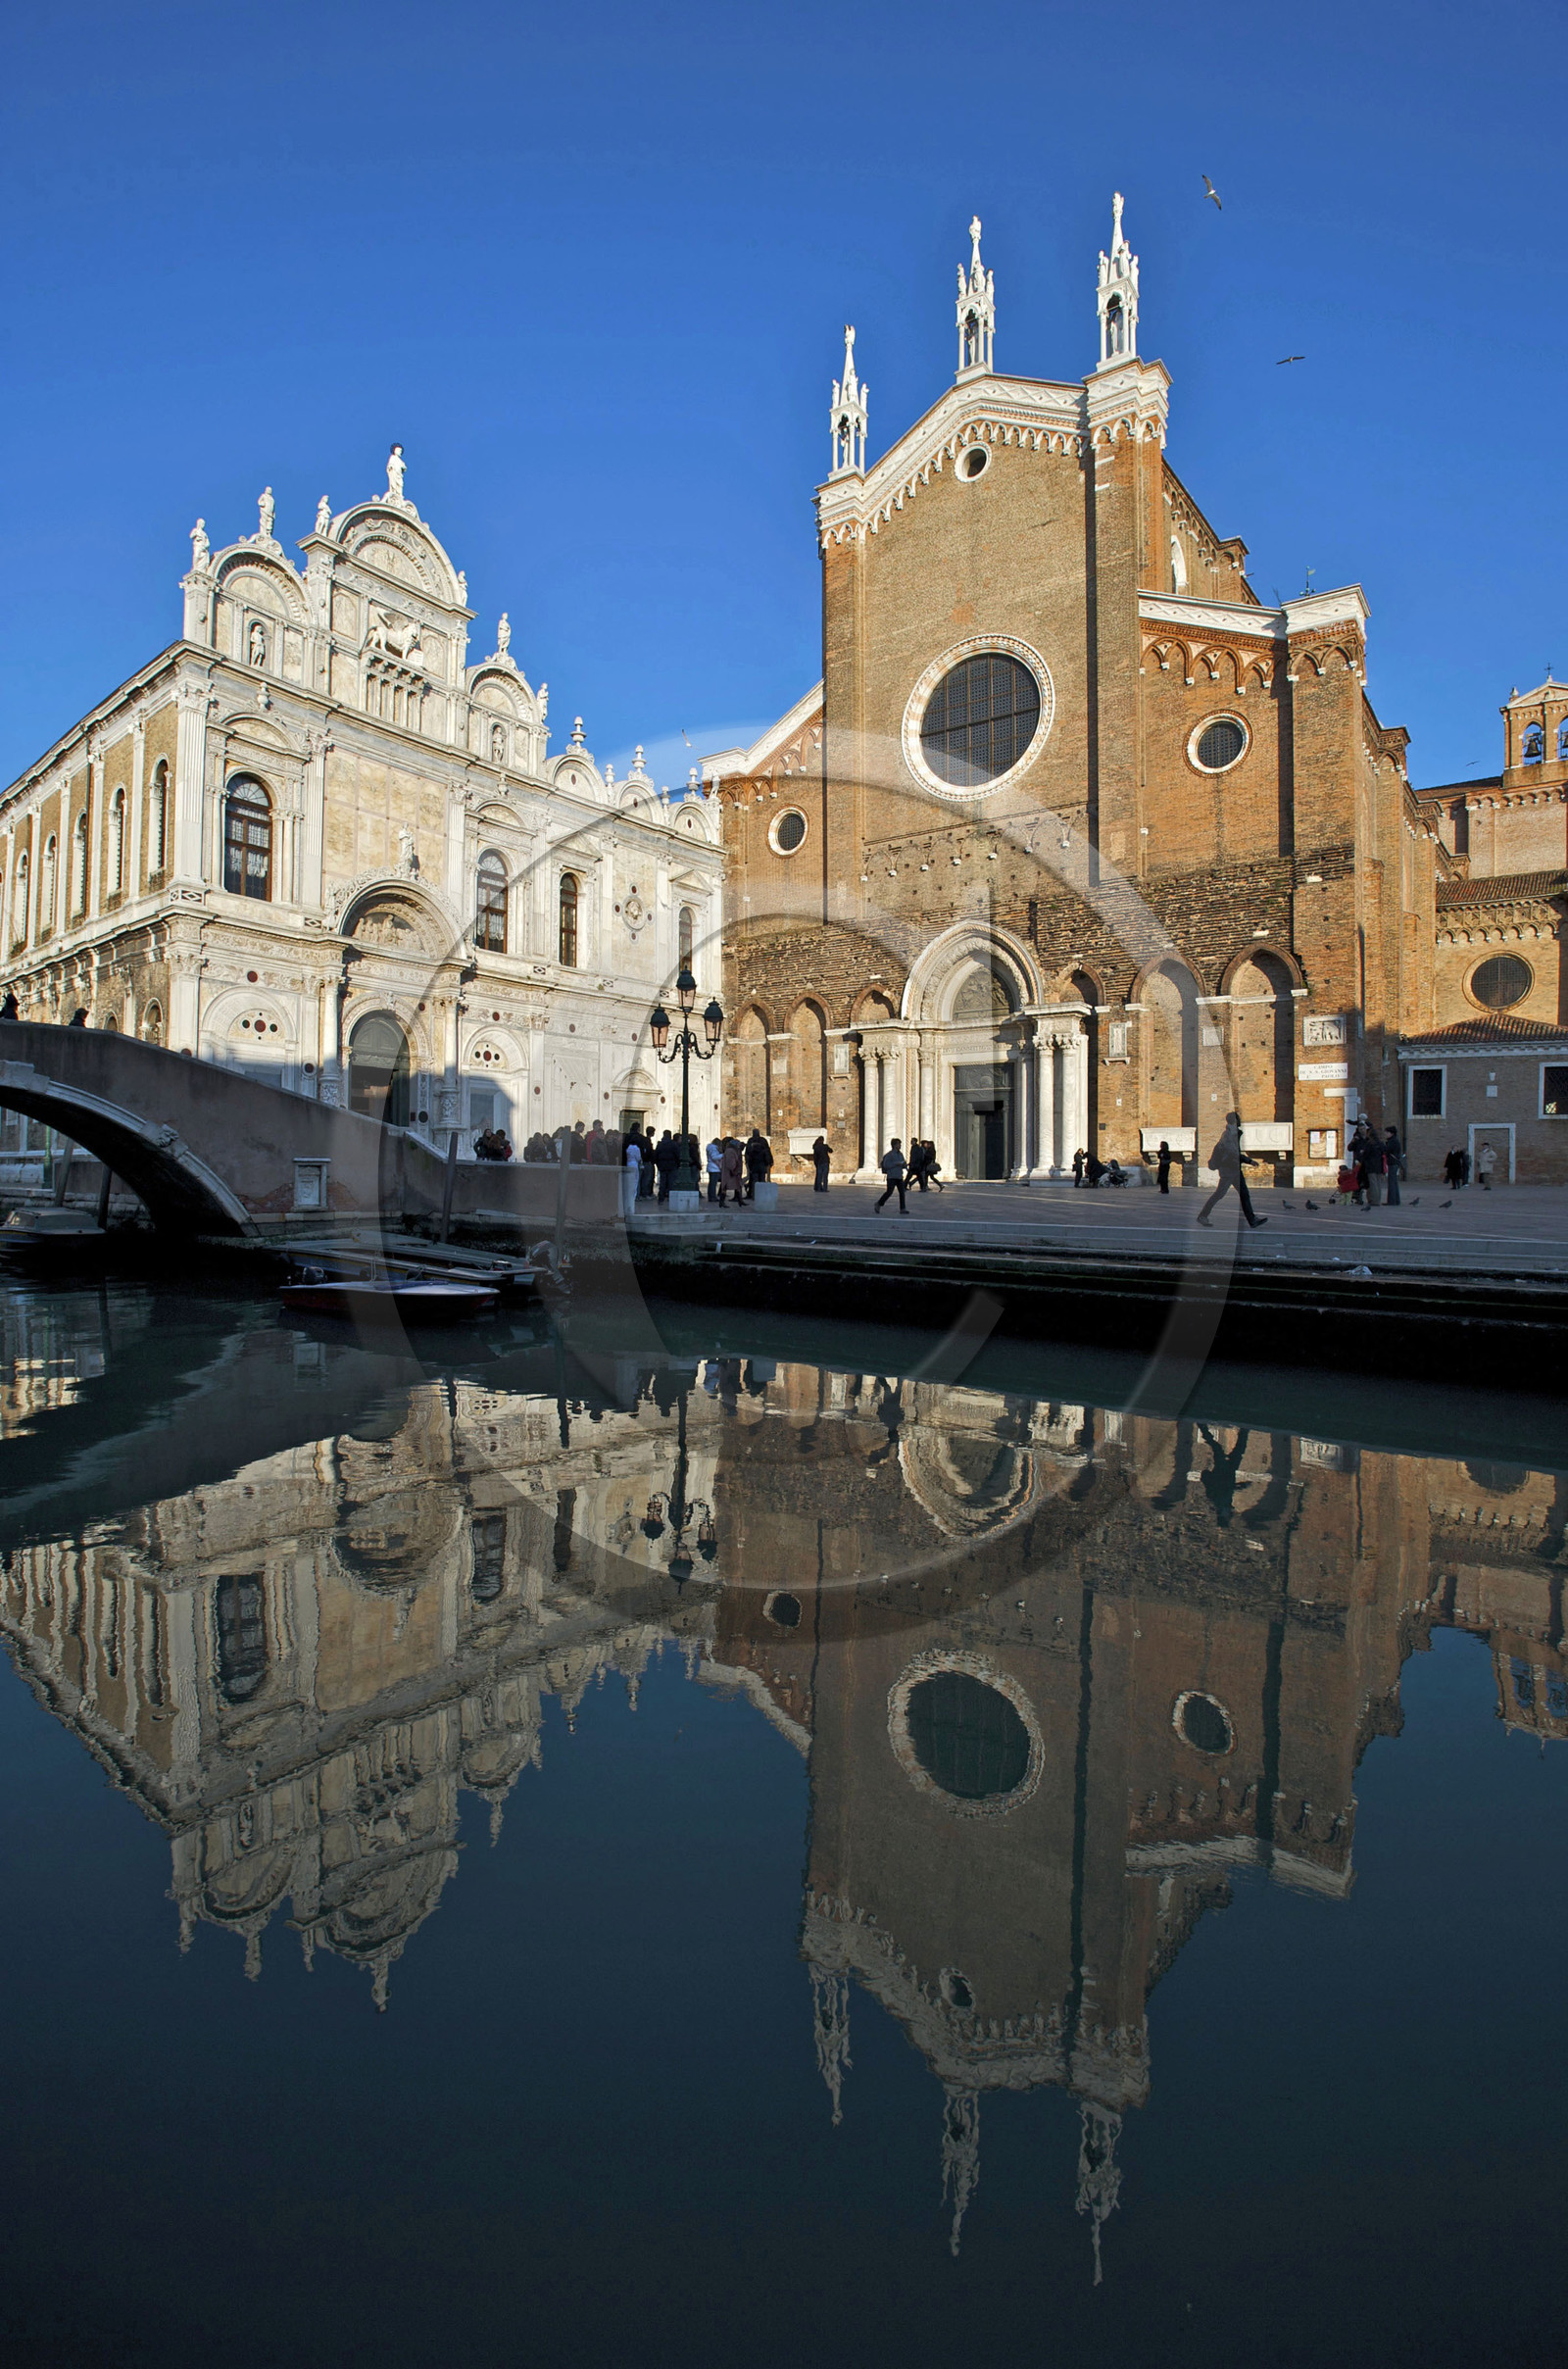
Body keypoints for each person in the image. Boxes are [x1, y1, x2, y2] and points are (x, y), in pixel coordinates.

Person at [1196, 1110, 1268, 1230]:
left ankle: (1252, 1220)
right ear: (1234, 1121)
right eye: (1238, 1119)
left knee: (1244, 1194)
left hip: (1234, 1170)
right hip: (1228, 1170)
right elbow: (1233, 1153)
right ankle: (1202, 1215)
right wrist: (1249, 1161)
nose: (1239, 1121)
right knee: (1219, 1194)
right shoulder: (1229, 1135)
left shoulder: (1233, 1134)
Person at [875, 1136, 909, 1213]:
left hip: (899, 1176)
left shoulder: (900, 1154)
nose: (900, 1145)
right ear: (894, 1145)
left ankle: (902, 1208)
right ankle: (879, 1203)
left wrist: (904, 1165)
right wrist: (896, 1164)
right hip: (891, 1176)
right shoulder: (889, 1155)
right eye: (899, 1144)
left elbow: (902, 1162)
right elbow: (886, 1165)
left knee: (902, 1192)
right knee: (889, 1192)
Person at [1360, 1127, 1387, 1208]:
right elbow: (1384, 1152)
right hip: (1379, 1165)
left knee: (1373, 1183)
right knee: (1378, 1183)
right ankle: (1378, 1200)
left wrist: (1362, 1153)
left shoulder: (1370, 1144)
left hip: (1371, 1166)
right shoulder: (1381, 1143)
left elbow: (1366, 1154)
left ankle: (1374, 1200)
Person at [744, 1127, 772, 1201]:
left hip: (754, 1166)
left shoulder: (751, 1142)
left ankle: (754, 1195)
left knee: (754, 1181)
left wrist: (748, 1164)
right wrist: (769, 1162)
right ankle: (761, 1195)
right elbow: (768, 1152)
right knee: (762, 1180)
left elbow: (748, 1154)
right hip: (762, 1165)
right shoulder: (763, 1141)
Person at [653, 1129, 678, 1204]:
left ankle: (661, 1198)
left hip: (662, 1166)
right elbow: (677, 1154)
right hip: (672, 1165)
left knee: (662, 1182)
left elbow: (656, 1155)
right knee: (671, 1182)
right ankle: (670, 1198)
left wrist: (658, 1164)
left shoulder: (660, 1144)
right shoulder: (673, 1144)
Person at [718, 1137, 745, 1207]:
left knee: (737, 1185)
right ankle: (722, 1202)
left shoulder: (732, 1150)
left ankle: (740, 1201)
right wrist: (734, 1169)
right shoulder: (731, 1151)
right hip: (730, 1172)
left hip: (731, 1172)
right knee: (726, 1186)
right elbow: (730, 1162)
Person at [1384, 1125, 1403, 1207]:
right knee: (1394, 1182)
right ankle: (1396, 1200)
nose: (1386, 1134)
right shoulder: (1395, 1141)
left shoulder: (1392, 1141)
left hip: (1392, 1163)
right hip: (1394, 1163)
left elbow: (1387, 1151)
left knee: (1392, 1182)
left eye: (1387, 1133)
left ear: (1391, 1133)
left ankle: (1392, 1201)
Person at [706, 1135, 723, 1204]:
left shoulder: (710, 1147)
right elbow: (714, 1157)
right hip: (714, 1168)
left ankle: (711, 1196)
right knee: (713, 1184)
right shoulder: (714, 1148)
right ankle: (712, 1197)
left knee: (712, 1183)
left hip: (712, 1167)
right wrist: (723, 1155)